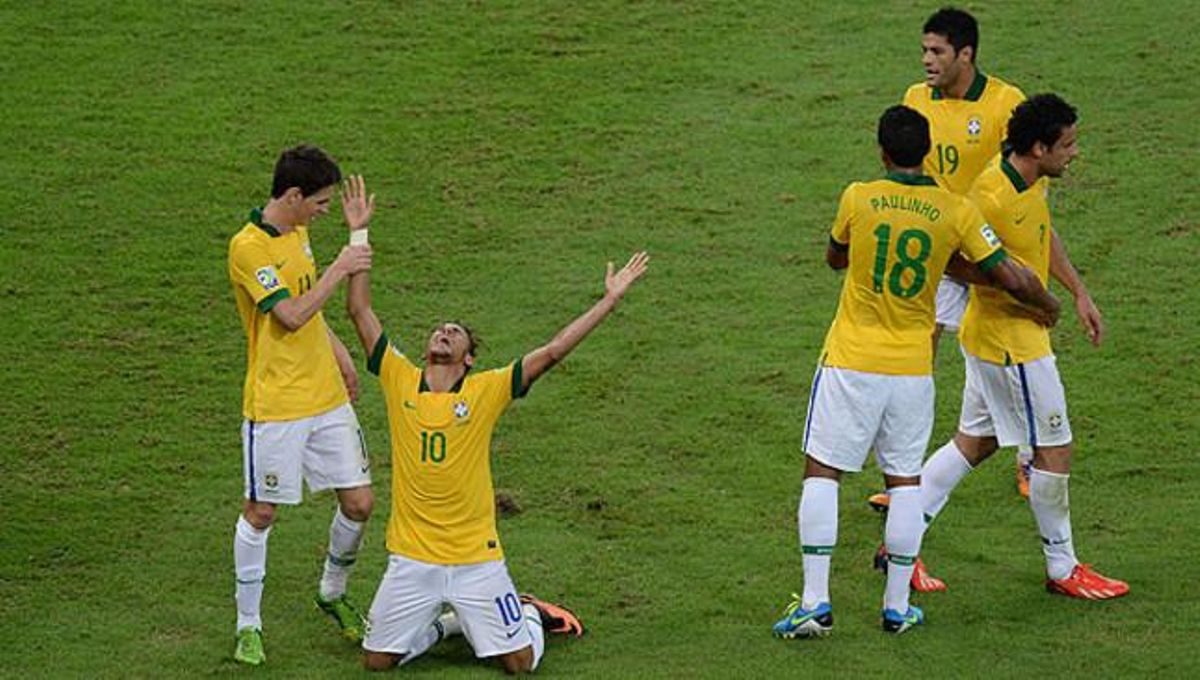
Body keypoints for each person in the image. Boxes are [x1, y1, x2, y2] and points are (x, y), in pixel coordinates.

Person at [340, 176, 648, 672]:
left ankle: (525, 612)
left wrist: (608, 301)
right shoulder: (398, 376)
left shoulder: (486, 390)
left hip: (474, 559)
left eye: (455, 332)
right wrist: (359, 234)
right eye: (439, 329)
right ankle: (448, 624)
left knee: (520, 664)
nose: (443, 332)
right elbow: (358, 309)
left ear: (468, 358)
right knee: (377, 661)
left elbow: (552, 352)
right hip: (412, 557)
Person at [771, 106, 1058, 639]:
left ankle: (815, 603)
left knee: (823, 472)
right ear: (927, 151)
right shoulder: (954, 212)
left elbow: (835, 258)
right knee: (904, 482)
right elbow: (1007, 277)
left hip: (851, 360)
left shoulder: (858, 196)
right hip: (911, 369)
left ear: (882, 151)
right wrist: (1049, 304)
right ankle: (896, 608)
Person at [912, 94, 1128, 600]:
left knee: (976, 443)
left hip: (1006, 338)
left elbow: (1041, 234)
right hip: (1010, 344)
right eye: (1068, 145)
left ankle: (899, 542)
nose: (1074, 153)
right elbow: (951, 261)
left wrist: (1078, 292)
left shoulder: (1032, 180)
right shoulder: (988, 196)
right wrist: (1027, 297)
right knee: (1054, 447)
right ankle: (1062, 567)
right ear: (1038, 146)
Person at [226, 145, 376, 666]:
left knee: (359, 503)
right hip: (277, 406)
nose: (324, 210)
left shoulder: (300, 234)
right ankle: (249, 626)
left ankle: (332, 593)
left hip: (326, 397)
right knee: (262, 511)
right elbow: (288, 314)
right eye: (319, 202)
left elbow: (311, 311)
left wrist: (340, 357)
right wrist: (342, 268)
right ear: (292, 196)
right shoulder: (248, 248)